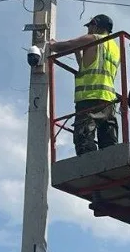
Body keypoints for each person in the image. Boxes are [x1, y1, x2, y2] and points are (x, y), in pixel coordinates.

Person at [47, 14, 121, 156]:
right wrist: (78, 53)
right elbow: (88, 66)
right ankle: (112, 162)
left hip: (89, 99)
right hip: (108, 100)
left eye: (89, 26)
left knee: (84, 139)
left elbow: (67, 45)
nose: (88, 30)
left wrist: (52, 45)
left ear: (95, 25)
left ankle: (91, 166)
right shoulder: (114, 47)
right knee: (108, 141)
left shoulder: (93, 39)